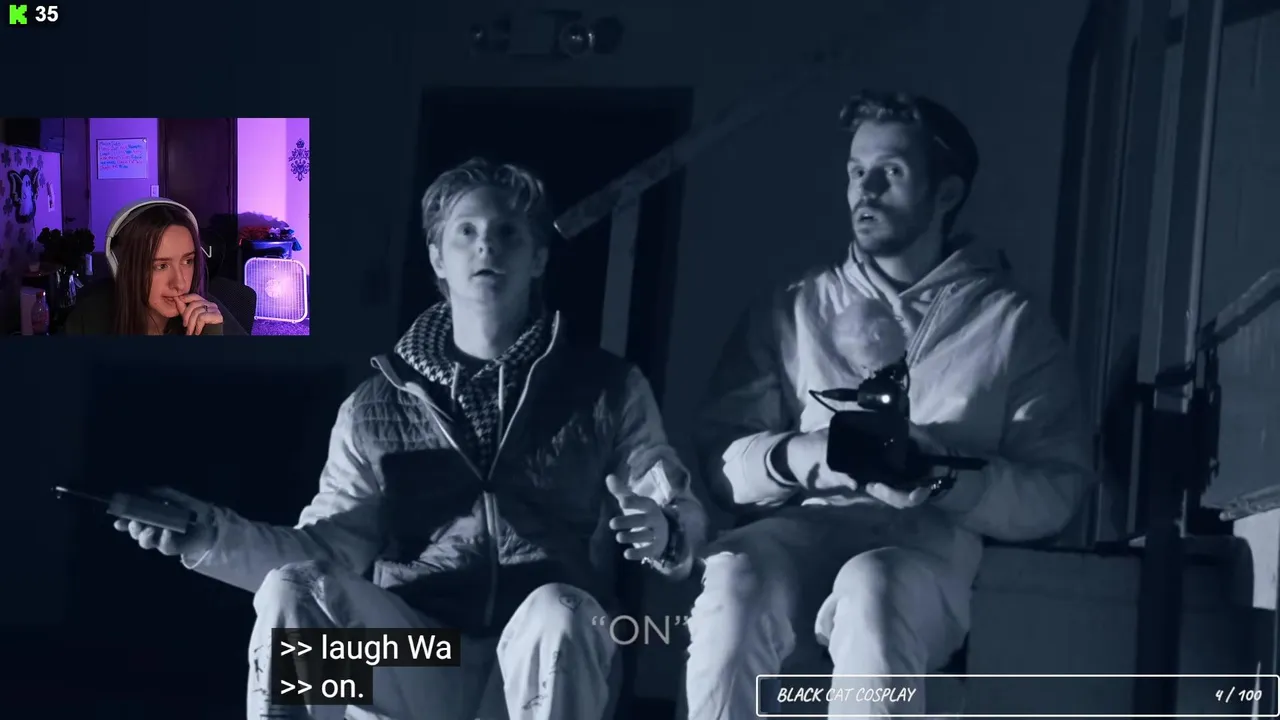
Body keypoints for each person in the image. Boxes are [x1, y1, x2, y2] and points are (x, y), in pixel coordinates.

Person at [115, 158, 707, 720]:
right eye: (467, 232)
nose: (486, 246)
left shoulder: (605, 388)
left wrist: (664, 530)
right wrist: (207, 534)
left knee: (562, 611)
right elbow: (327, 549)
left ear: (538, 259)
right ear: (438, 258)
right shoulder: (374, 406)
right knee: (292, 589)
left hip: (540, 659)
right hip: (420, 659)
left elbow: (670, 499)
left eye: (507, 232)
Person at [684, 90, 1095, 718]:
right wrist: (807, 456)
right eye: (856, 171)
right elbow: (720, 463)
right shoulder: (794, 307)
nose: (865, 191)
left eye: (891, 172)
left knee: (875, 584)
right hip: (806, 532)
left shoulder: (1011, 325)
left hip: (925, 555)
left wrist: (942, 475)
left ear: (946, 193)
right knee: (735, 574)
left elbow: (1057, 491)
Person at [60, 198, 244, 335]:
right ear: (122, 267)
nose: (180, 283)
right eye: (161, 266)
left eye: (188, 261)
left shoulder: (208, 314)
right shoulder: (90, 318)